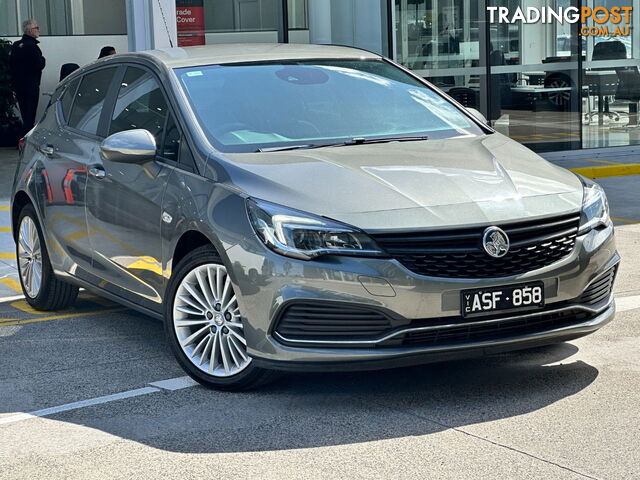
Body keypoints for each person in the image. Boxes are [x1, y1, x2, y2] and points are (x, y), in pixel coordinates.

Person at [9, 19, 46, 135]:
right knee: (30, 114)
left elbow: (11, 64)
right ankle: (27, 138)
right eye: (37, 28)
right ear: (30, 30)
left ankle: (23, 136)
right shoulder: (32, 47)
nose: (39, 30)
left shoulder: (16, 45)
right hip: (31, 85)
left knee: (25, 112)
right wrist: (43, 59)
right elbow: (39, 64)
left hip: (18, 85)